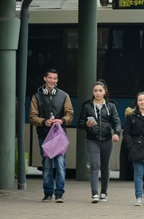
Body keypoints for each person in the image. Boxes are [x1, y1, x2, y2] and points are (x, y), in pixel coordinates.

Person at [29, 69, 74, 203]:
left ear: (57, 81)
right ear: (45, 78)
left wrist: (62, 121)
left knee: (60, 164)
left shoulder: (64, 96)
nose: (52, 81)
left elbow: (70, 114)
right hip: (44, 135)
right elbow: (32, 116)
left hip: (59, 136)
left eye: (55, 79)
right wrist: (44, 122)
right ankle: (48, 193)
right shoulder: (36, 96)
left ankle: (59, 193)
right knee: (47, 165)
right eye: (50, 78)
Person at [78, 81, 121, 203]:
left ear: (104, 92)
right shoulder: (87, 106)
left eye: (100, 91)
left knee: (105, 166)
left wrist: (117, 133)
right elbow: (80, 123)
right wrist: (86, 124)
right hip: (92, 139)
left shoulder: (111, 106)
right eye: (95, 91)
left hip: (107, 139)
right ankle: (94, 193)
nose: (98, 93)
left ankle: (104, 192)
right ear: (93, 92)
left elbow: (117, 122)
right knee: (95, 165)